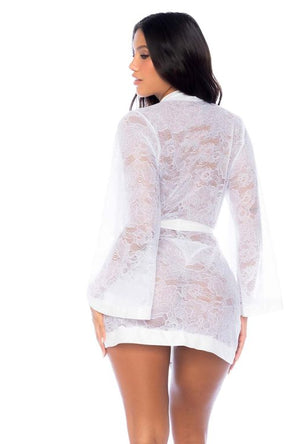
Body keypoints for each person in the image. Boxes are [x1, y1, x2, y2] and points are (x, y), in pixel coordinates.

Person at [88, 12, 281, 444]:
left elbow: (142, 226)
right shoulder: (232, 127)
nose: (132, 65)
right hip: (211, 292)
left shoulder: (138, 124)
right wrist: (243, 306)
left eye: (143, 54)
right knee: (193, 434)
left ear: (173, 55)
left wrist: (97, 292)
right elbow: (250, 227)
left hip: (144, 290)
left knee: (147, 433)